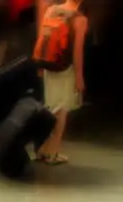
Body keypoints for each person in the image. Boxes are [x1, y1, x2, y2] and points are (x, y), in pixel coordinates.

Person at [34, 0, 88, 165]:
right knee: (62, 111)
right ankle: (53, 152)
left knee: (50, 107)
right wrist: (79, 77)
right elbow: (77, 52)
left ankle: (42, 148)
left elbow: (42, 39)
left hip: (49, 66)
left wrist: (40, 65)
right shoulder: (80, 20)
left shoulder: (51, 11)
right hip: (65, 69)